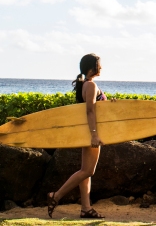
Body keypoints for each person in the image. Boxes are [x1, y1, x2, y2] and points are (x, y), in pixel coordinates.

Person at [47, 53, 110, 219]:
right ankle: (57, 195)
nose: (102, 67)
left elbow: (97, 109)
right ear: (92, 67)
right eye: (99, 64)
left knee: (85, 171)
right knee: (88, 170)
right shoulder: (90, 86)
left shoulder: (89, 85)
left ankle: (86, 208)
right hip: (92, 132)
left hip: (89, 131)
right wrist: (94, 135)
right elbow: (89, 110)